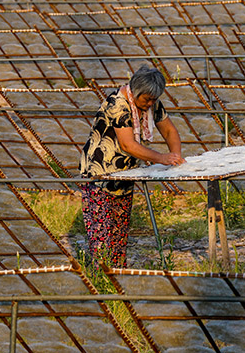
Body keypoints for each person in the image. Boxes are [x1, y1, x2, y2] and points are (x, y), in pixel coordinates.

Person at [79, 65, 184, 267]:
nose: (151, 103)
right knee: (102, 237)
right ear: (136, 92)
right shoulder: (117, 104)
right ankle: (101, 282)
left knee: (119, 235)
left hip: (125, 175)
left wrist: (176, 155)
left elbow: (170, 131)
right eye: (147, 99)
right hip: (100, 176)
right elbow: (128, 144)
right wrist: (162, 158)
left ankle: (118, 279)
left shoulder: (152, 104)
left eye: (154, 99)